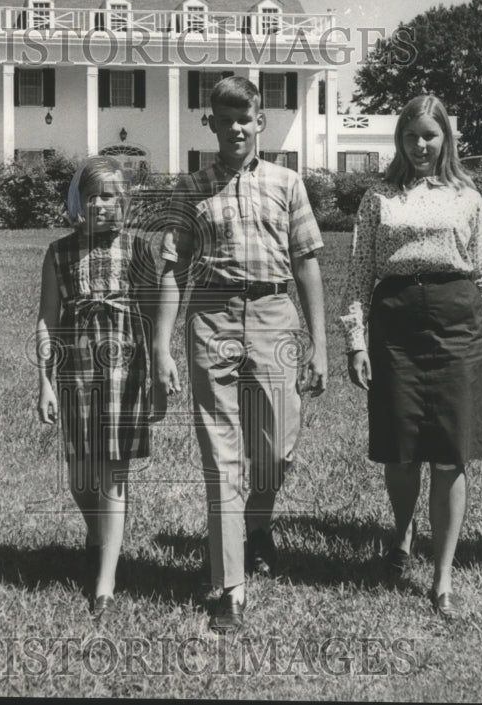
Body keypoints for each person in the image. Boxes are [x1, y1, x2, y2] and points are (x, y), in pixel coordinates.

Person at [154, 76, 327, 634]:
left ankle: (258, 522)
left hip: (275, 315)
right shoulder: (192, 188)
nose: (234, 128)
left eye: (244, 118)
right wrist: (161, 343)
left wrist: (321, 344)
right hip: (213, 318)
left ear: (260, 122)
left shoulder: (287, 182)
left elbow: (306, 262)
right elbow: (173, 269)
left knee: (276, 446)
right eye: (223, 119)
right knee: (222, 456)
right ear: (211, 124)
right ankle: (230, 587)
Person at [341, 94, 482, 619]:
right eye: (411, 135)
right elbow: (357, 276)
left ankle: (442, 576)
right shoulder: (378, 197)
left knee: (450, 450)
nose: (420, 145)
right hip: (395, 327)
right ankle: (401, 535)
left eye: (430, 136)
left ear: (446, 140)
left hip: (456, 326)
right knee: (400, 448)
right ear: (400, 139)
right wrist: (354, 340)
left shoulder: (466, 197)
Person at [36, 156, 154, 620]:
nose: (105, 204)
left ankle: (105, 583)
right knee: (81, 476)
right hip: (74, 368)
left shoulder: (138, 250)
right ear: (79, 202)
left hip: (125, 369)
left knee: (112, 473)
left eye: (114, 195)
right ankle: (98, 533)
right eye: (96, 196)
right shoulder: (59, 252)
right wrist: (43, 381)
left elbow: (153, 315)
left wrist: (159, 374)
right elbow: (47, 319)